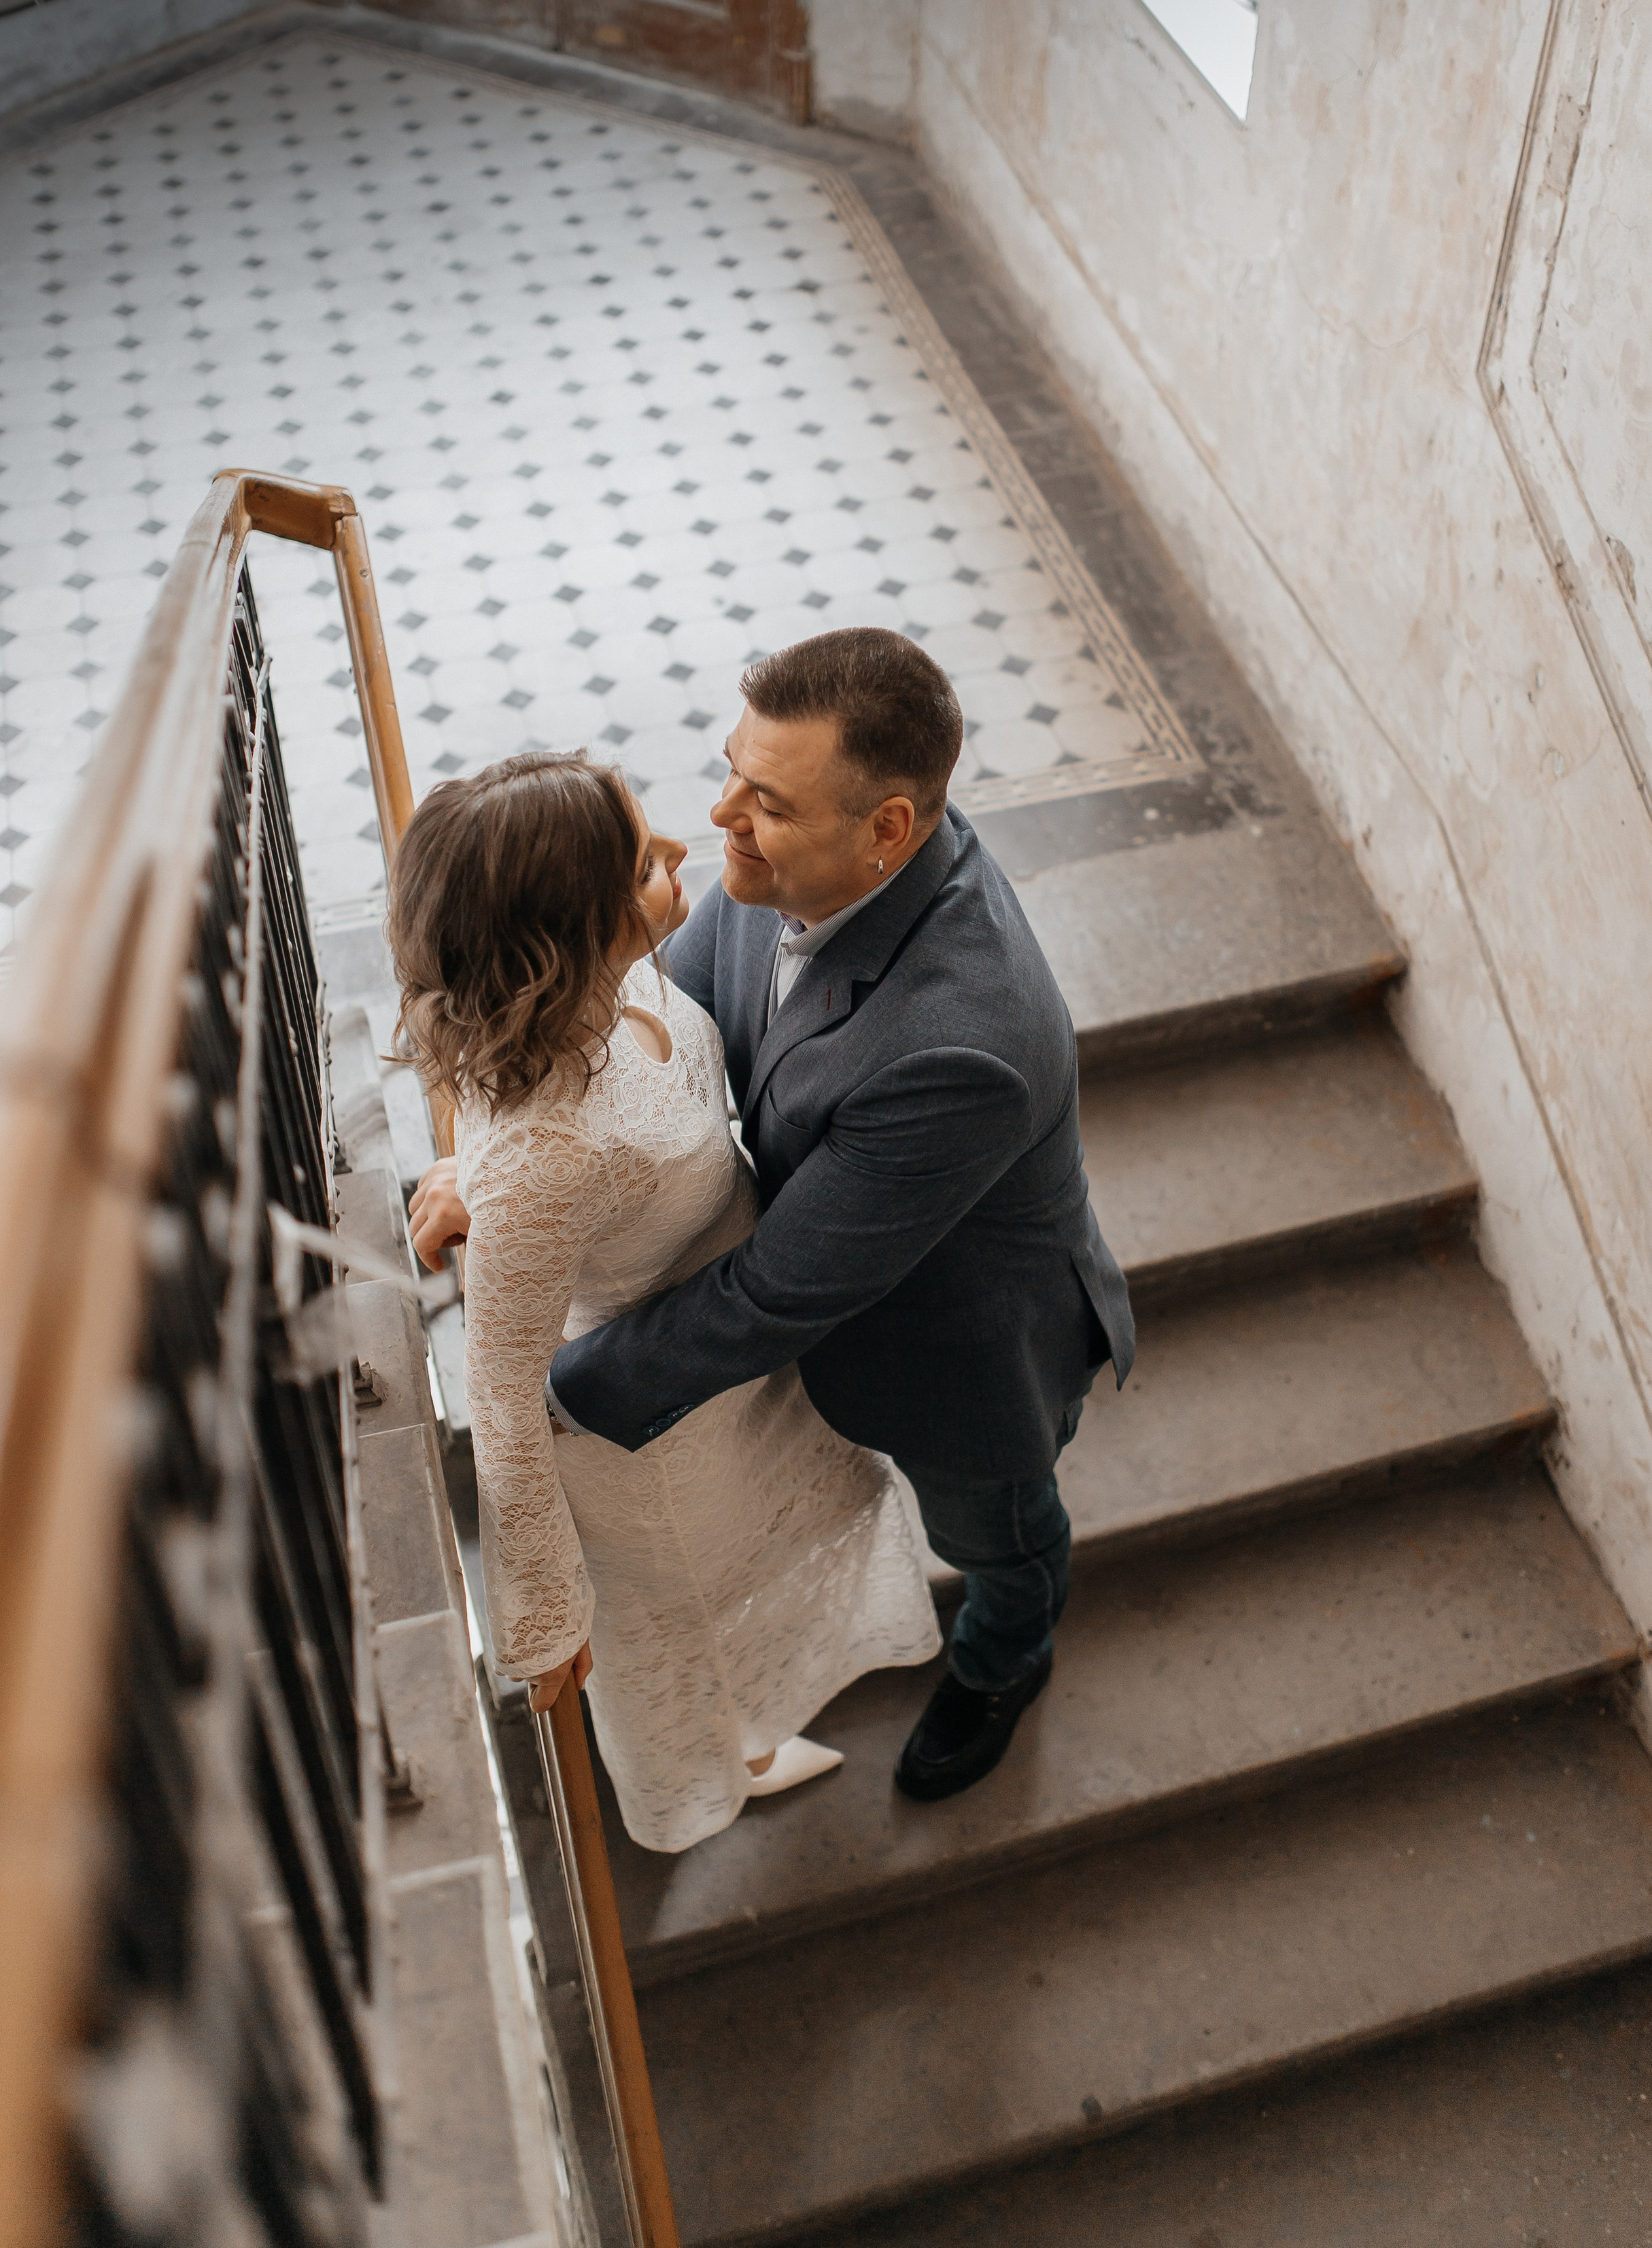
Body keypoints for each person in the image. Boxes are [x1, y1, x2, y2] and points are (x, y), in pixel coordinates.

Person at [412, 629, 1134, 1805]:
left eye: (767, 800)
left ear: (887, 830)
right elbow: (666, 1011)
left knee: (994, 1535)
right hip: (821, 1286)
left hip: (955, 1347)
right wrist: (504, 1166)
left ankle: (1009, 1657)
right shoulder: (791, 868)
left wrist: (556, 1394)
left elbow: (775, 1294)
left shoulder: (963, 1041)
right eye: (732, 768)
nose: (718, 815)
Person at [392, 752, 940, 1855]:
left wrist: (474, 1182)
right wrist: (544, 1616)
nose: (684, 853)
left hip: (727, 1369)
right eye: (644, 864)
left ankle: (760, 1721)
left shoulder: (620, 985)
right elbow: (499, 1397)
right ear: (573, 930)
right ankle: (715, 1765)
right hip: (653, 1437)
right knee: (698, 1613)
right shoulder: (543, 1156)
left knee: (792, 1535)